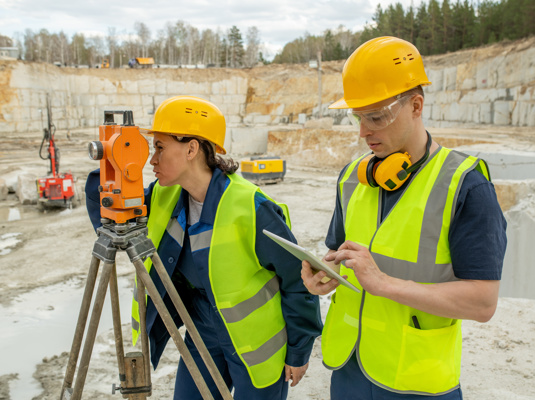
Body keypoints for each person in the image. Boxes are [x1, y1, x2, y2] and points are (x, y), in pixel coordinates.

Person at [300, 37, 507, 399]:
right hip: (349, 369)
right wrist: (323, 273)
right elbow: (341, 254)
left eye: (376, 116)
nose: (363, 132)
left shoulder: (465, 186)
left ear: (416, 105)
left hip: (417, 380)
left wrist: (383, 284)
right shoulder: (352, 178)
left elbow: (482, 303)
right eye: (358, 117)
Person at [85, 95, 323, 399]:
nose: (151, 160)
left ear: (192, 148)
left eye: (159, 147)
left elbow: (298, 278)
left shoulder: (250, 207)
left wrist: (299, 351)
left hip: (255, 343)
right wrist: (110, 160)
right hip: (203, 332)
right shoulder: (164, 195)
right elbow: (108, 210)